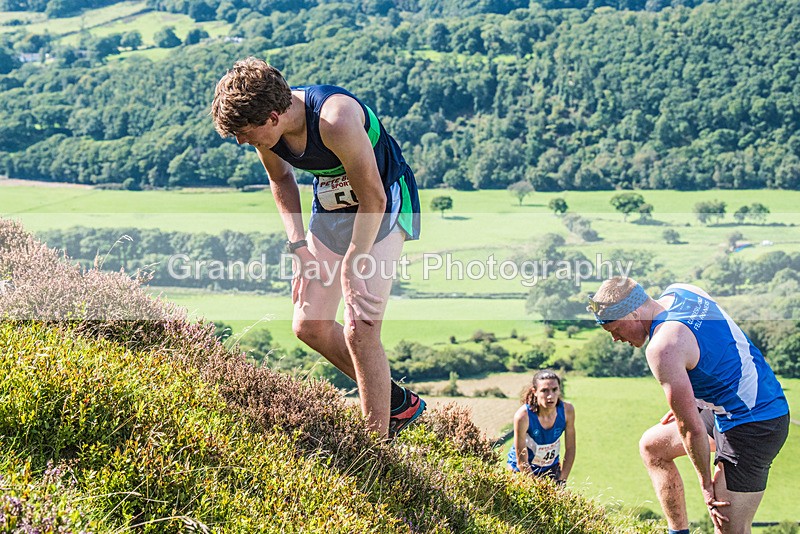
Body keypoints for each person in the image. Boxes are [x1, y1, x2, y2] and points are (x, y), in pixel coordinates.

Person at [211, 57, 425, 439]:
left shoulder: (335, 119)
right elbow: (282, 180)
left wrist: (355, 261)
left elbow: (373, 197)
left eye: (245, 133)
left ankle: (376, 443)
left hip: (384, 201)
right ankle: (396, 402)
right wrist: (298, 246)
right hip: (332, 208)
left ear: (273, 116)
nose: (243, 142)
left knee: (361, 325)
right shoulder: (270, 134)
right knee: (309, 325)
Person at [588, 277, 790, 534]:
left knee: (729, 528)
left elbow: (690, 429)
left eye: (615, 329)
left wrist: (706, 484)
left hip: (756, 423)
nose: (615, 339)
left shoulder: (662, 347)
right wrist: (694, 401)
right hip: (730, 406)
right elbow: (715, 346)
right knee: (653, 446)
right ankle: (678, 532)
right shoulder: (682, 290)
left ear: (634, 313)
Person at [507, 370, 575, 485]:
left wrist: (562, 480)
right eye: (544, 391)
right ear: (535, 392)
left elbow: (570, 449)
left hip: (550, 468)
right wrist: (537, 488)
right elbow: (521, 461)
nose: (550, 396)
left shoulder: (567, 411)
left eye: (554, 390)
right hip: (521, 470)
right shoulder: (523, 416)